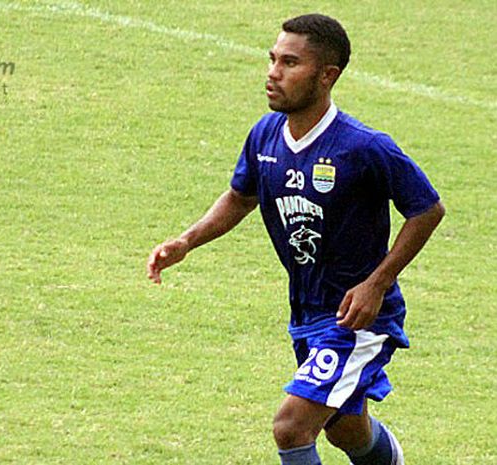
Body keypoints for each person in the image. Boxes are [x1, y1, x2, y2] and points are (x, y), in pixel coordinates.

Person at [146, 13, 445, 465]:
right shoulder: (266, 135)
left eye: (289, 63)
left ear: (327, 76)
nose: (272, 72)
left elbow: (427, 209)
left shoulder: (364, 147)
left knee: (291, 427)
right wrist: (187, 241)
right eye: (272, 59)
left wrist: (376, 284)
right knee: (346, 430)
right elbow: (240, 196)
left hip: (358, 318)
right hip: (307, 312)